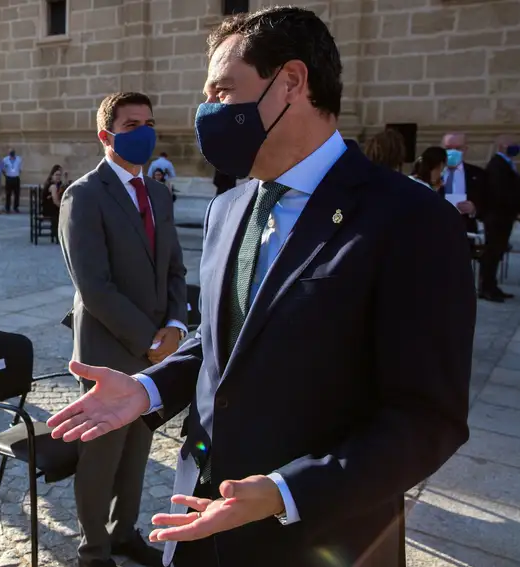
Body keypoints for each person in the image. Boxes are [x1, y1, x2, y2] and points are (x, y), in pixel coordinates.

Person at [46, 8, 474, 567]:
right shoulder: (229, 207)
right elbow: (225, 340)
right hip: (200, 521)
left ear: (291, 82)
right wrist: (147, 390)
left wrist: (284, 492)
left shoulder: (410, 220)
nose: (208, 110)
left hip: (319, 539)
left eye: (223, 91)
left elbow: (427, 419)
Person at [59, 91, 188, 567]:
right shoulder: (84, 195)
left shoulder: (156, 191)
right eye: (132, 124)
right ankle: (93, 551)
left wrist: (174, 326)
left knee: (137, 450)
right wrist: (148, 340)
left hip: (156, 347)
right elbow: (94, 286)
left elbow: (175, 268)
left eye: (149, 122)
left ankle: (124, 531)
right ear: (106, 135)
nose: (144, 132)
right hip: (108, 350)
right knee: (102, 458)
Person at [479, 135, 520, 302]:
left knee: (498, 252)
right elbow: (501, 192)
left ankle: (492, 285)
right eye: (512, 145)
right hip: (497, 217)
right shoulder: (497, 165)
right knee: (492, 252)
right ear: (502, 146)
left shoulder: (507, 164)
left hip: (505, 216)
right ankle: (486, 287)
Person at [441, 132, 486, 235]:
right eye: (448, 148)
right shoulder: (430, 172)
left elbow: (489, 203)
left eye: (457, 148)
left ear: (465, 149)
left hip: (465, 231)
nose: (452, 152)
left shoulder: (478, 174)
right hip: (435, 229)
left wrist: (474, 209)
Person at [42, 164, 64, 240]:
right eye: (56, 175)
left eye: (59, 175)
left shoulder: (54, 184)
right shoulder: (53, 186)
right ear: (52, 175)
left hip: (49, 208)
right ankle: (59, 234)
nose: (58, 177)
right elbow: (55, 201)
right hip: (49, 210)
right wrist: (63, 208)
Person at [2, 148, 23, 214]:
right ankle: (7, 208)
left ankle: (16, 207)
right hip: (8, 178)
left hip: (16, 178)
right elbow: (3, 169)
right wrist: (6, 175)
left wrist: (16, 173)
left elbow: (20, 169)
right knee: (8, 194)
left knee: (17, 194)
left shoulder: (19, 159)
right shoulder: (5, 159)